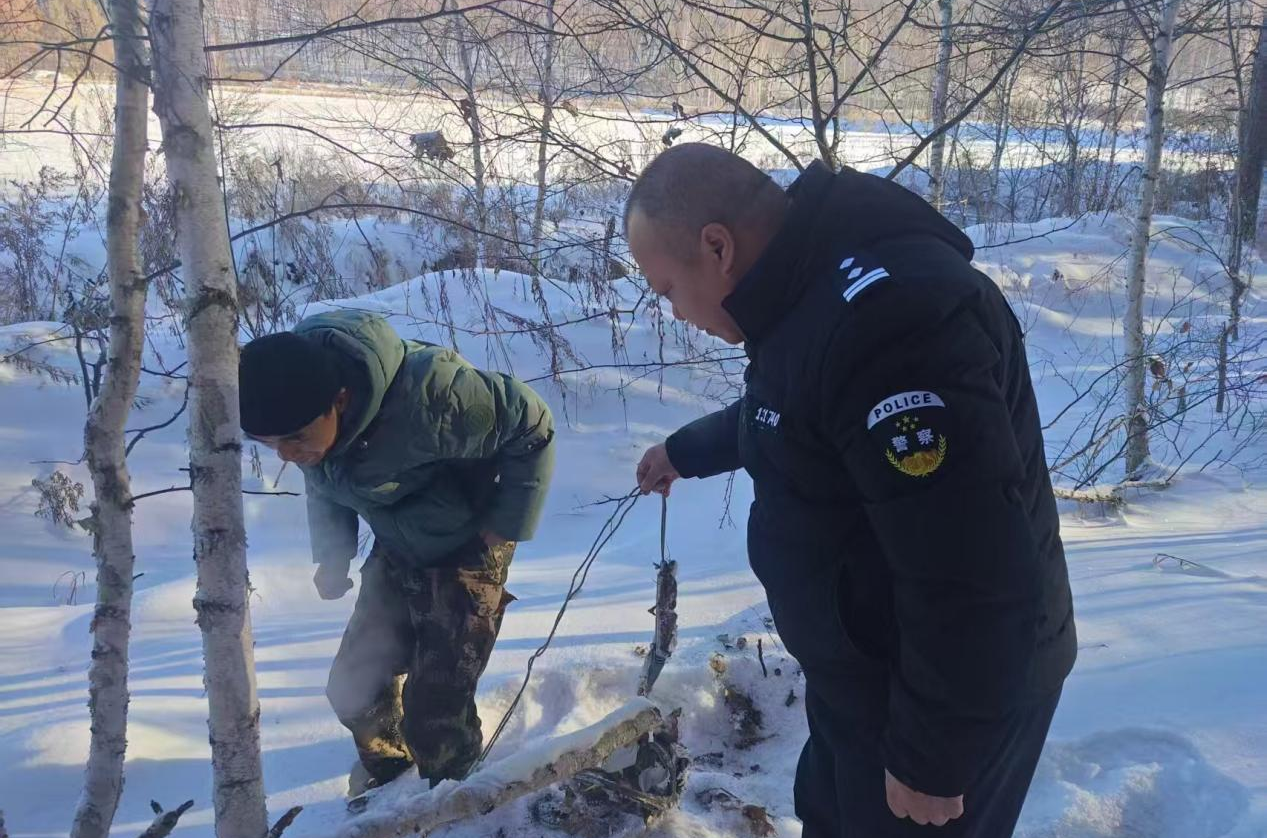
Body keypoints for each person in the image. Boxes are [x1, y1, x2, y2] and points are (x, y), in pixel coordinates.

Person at [629, 144, 1076, 837]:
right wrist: (684, 452)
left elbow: (967, 560)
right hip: (867, 674)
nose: (676, 313)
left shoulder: (890, 319)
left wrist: (932, 754)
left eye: (666, 290)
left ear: (717, 246)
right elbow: (801, 412)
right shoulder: (808, 294)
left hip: (945, 686)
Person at [238, 309, 555, 796]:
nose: (285, 454)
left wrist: (506, 525)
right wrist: (333, 555)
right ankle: (392, 780)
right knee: (353, 688)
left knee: (436, 714)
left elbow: (533, 425)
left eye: (294, 438)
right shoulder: (305, 419)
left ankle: (450, 801)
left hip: (468, 548)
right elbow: (324, 483)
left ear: (340, 400)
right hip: (398, 543)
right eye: (270, 444)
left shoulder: (434, 398)